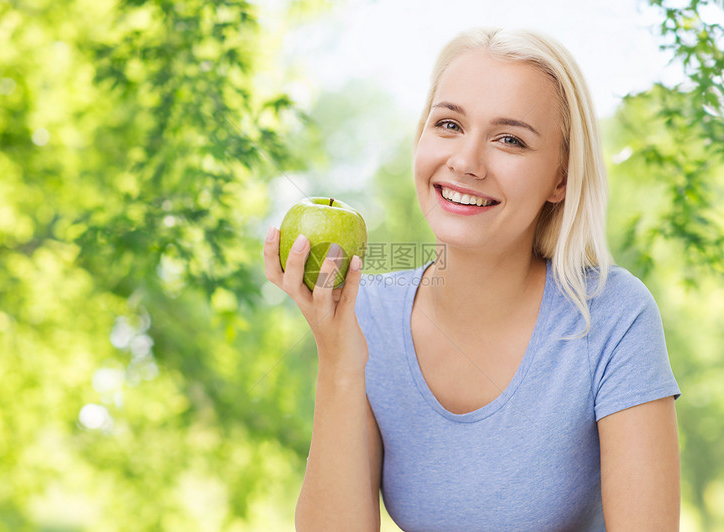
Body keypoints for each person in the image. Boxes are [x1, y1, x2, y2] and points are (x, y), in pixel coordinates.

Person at [264, 27, 681, 532]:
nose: (465, 162)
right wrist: (339, 361)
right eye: (448, 124)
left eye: (510, 139)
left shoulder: (613, 315)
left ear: (561, 179)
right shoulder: (367, 313)